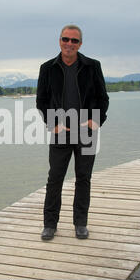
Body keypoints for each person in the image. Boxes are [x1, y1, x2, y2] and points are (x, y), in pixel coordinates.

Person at [36, 25, 109, 240]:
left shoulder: (92, 66)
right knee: (55, 178)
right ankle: (50, 225)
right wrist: (53, 124)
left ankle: (80, 223)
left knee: (83, 178)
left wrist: (96, 121)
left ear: (80, 44)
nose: (69, 44)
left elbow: (102, 98)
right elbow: (41, 101)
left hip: (86, 131)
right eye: (65, 39)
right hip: (60, 132)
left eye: (74, 41)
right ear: (59, 41)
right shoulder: (47, 68)